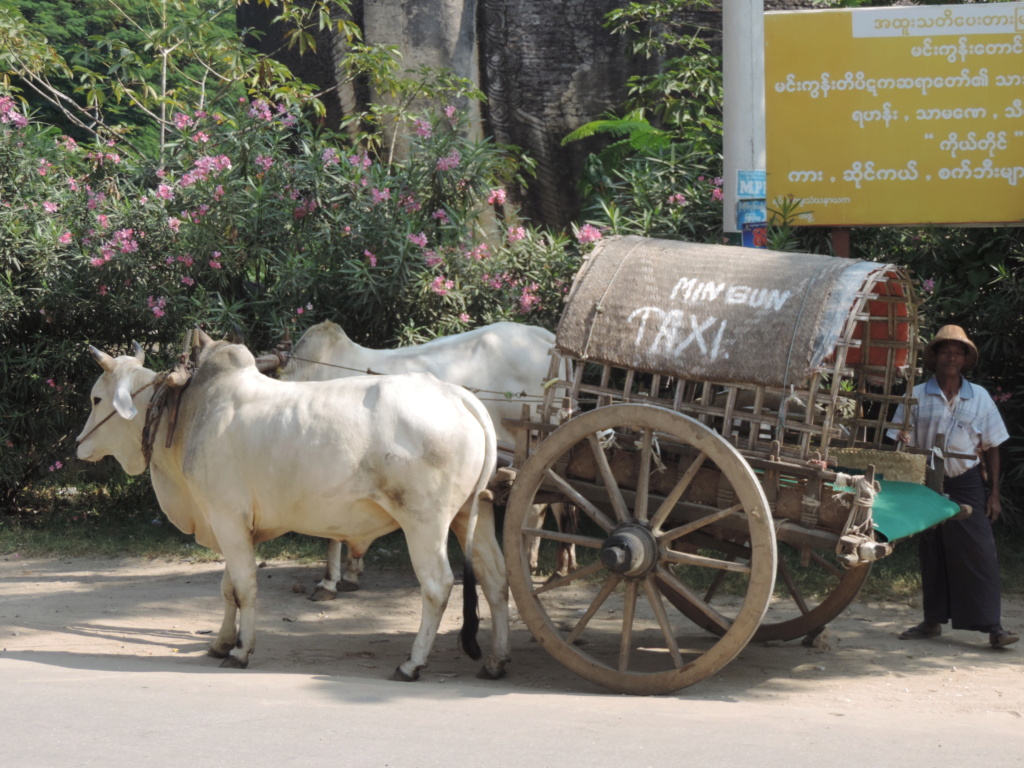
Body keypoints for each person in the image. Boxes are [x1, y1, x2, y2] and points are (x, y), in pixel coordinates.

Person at [888, 325, 1017, 649]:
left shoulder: (980, 397)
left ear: (965, 359)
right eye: (946, 350)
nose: (951, 356)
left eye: (957, 352)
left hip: (968, 481)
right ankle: (932, 621)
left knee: (980, 551)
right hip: (927, 481)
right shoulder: (915, 395)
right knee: (932, 549)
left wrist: (995, 494)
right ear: (935, 357)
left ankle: (994, 627)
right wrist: (903, 446)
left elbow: (992, 446)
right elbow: (897, 440)